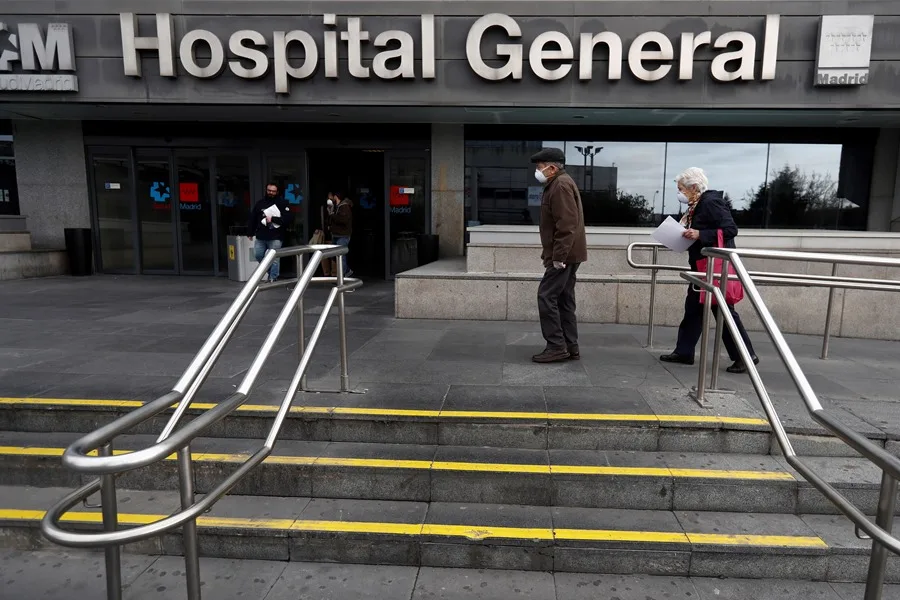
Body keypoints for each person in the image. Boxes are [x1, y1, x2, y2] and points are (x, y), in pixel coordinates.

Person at [660, 167, 759, 374]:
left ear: (694, 187)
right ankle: (684, 351)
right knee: (693, 309)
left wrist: (699, 234)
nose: (679, 193)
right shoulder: (696, 204)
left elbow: (731, 229)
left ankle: (745, 356)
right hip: (702, 267)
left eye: (681, 189)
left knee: (723, 312)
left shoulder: (710, 202)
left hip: (713, 268)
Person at [530, 147, 588, 364]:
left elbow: (567, 225)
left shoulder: (560, 185)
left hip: (565, 255)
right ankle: (570, 346)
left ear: (552, 168)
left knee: (546, 296)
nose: (537, 171)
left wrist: (558, 256)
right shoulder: (558, 183)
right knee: (564, 299)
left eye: (539, 167)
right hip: (569, 253)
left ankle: (556, 346)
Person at [247, 183, 293, 282]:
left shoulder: (283, 203)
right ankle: (271, 273)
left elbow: (288, 219)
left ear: (277, 192)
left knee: (275, 259)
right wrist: (250, 232)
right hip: (261, 235)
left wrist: (273, 219)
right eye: (269, 190)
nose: (271, 193)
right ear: (266, 190)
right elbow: (253, 218)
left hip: (276, 235)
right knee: (258, 255)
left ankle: (273, 277)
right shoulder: (260, 203)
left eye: (273, 191)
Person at [328, 190, 354, 278]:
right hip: (336, 234)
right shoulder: (336, 206)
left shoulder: (344, 207)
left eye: (330, 196)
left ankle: (341, 278)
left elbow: (343, 220)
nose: (329, 199)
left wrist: (332, 215)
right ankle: (346, 271)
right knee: (335, 256)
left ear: (335, 196)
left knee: (341, 256)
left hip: (342, 235)